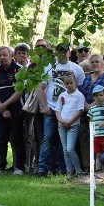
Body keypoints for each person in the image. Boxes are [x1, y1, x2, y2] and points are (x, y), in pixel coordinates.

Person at [36, 43, 85, 177]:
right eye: (60, 52)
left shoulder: (77, 69)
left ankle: (62, 167)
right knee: (48, 138)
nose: (63, 54)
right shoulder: (48, 67)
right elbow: (40, 88)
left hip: (69, 111)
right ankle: (42, 168)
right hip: (53, 108)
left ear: (70, 52)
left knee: (63, 143)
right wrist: (44, 106)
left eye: (65, 51)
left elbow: (81, 89)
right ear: (56, 53)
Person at [0, 46, 25, 175]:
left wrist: (5, 105)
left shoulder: (18, 70)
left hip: (16, 110)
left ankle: (19, 167)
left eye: (5, 55)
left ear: (11, 55)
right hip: (1, 110)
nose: (2, 58)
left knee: (17, 139)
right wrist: (0, 107)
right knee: (1, 139)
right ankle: (0, 166)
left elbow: (19, 91)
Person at [81, 54, 104, 170]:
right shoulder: (87, 79)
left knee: (102, 143)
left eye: (97, 62)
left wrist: (92, 105)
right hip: (87, 114)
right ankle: (88, 167)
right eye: (92, 62)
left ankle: (103, 169)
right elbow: (82, 94)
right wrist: (86, 106)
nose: (95, 64)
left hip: (101, 114)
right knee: (88, 141)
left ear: (102, 64)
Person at [55, 73, 85, 177]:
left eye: (71, 83)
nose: (69, 85)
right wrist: (60, 120)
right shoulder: (62, 95)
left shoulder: (79, 95)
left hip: (73, 125)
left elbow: (79, 110)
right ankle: (69, 170)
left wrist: (69, 122)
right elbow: (58, 110)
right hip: (62, 125)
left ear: (75, 82)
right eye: (67, 83)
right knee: (65, 150)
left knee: (70, 149)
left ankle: (78, 170)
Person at [86, 85, 104, 172]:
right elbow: (91, 121)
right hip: (96, 135)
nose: (99, 97)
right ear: (93, 97)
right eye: (96, 95)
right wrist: (91, 132)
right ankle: (98, 170)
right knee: (97, 154)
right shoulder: (92, 109)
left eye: (101, 95)